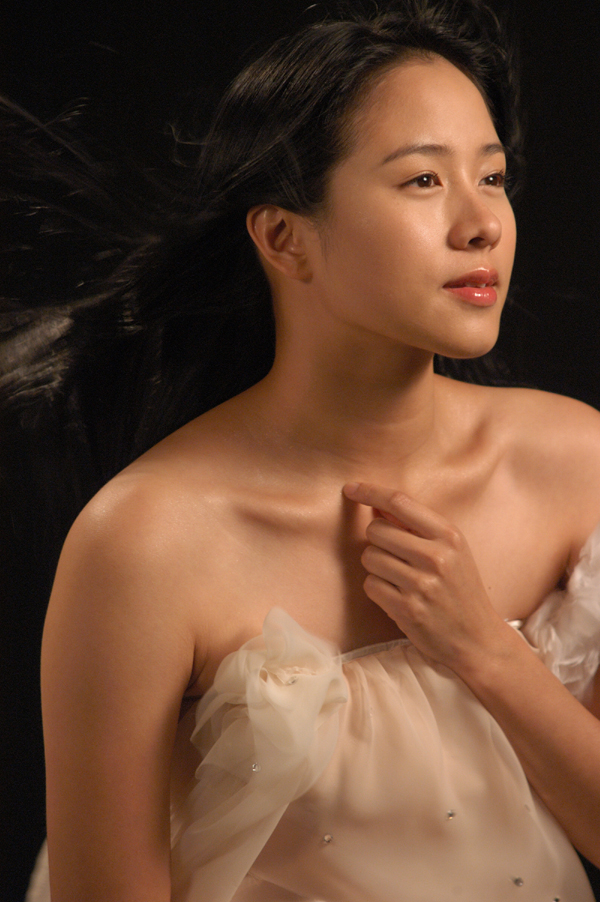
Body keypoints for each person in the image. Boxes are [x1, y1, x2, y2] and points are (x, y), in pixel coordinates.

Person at [18, 0, 600, 899]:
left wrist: (486, 650)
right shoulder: (143, 544)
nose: (482, 222)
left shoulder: (577, 461)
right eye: (423, 180)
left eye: (492, 177)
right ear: (285, 239)